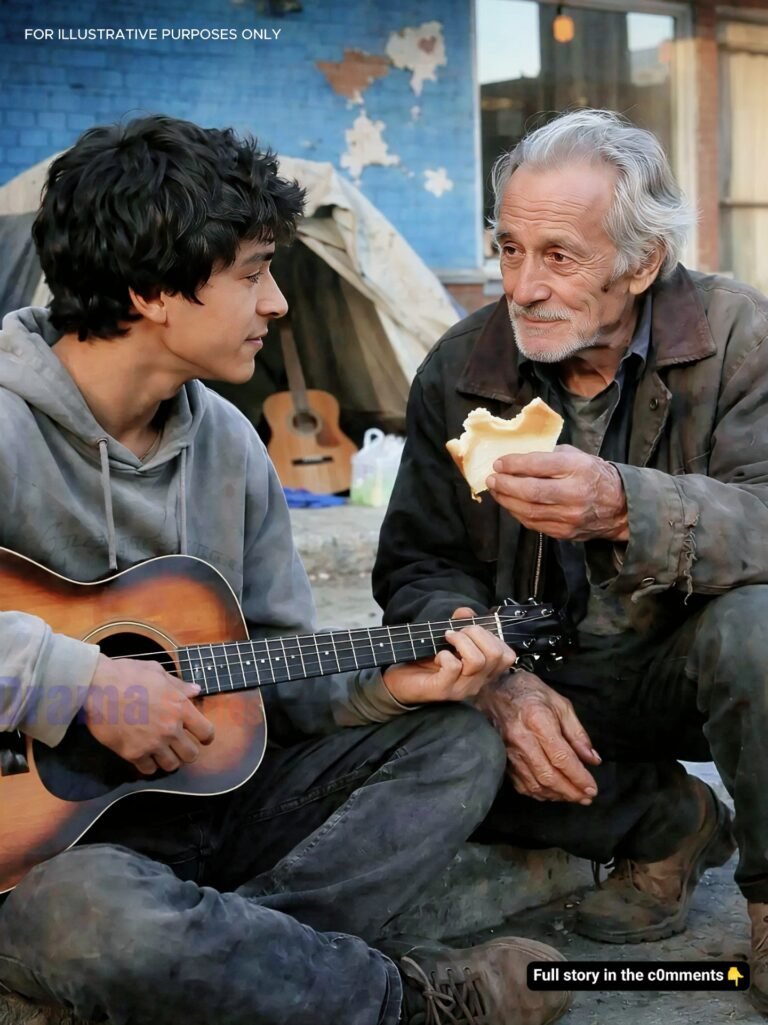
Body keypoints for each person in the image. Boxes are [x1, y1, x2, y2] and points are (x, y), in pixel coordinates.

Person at [0, 115, 573, 1025]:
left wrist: (389, 688)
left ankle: (218, 970)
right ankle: (402, 1001)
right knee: (93, 914)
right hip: (40, 859)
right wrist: (83, 681)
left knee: (459, 743)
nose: (278, 303)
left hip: (204, 811)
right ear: (153, 291)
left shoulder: (229, 443)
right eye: (253, 272)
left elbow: (270, 668)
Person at [373, 107, 768, 1014]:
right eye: (509, 250)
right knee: (394, 722)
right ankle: (669, 821)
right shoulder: (461, 365)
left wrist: (628, 505)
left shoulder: (740, 337)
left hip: (694, 666)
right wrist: (495, 678)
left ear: (642, 261)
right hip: (544, 674)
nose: (523, 286)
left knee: (761, 628)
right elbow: (417, 566)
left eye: (559, 255)